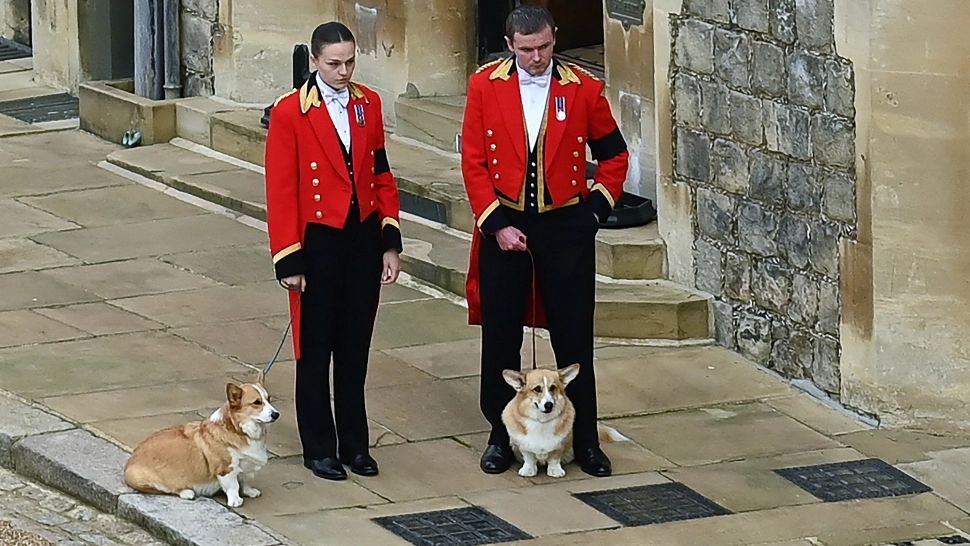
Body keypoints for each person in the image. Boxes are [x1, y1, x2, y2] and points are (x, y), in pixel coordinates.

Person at [461, 5, 629, 478]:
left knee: (574, 339)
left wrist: (595, 211)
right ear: (511, 45)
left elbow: (615, 155)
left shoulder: (583, 88)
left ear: (555, 38)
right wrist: (494, 223)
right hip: (505, 225)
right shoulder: (484, 86)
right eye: (527, 49)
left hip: (564, 228)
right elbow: (473, 162)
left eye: (545, 47)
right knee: (501, 339)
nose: (537, 58)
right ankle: (500, 437)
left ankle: (587, 440)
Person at [265, 21, 402, 481]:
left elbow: (381, 173)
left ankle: (355, 444)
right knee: (315, 348)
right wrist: (288, 258)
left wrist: (390, 241)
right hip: (317, 241)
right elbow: (281, 190)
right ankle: (319, 447)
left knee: (354, 347)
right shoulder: (290, 112)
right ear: (314, 62)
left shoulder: (369, 104)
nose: (344, 72)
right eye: (334, 64)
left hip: (362, 237)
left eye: (350, 62)